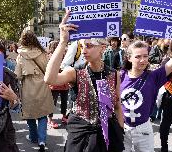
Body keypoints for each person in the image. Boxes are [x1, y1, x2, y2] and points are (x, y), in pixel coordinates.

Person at [44, 11, 125, 152]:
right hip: (80, 137)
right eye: (82, 46)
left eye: (89, 45)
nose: (83, 51)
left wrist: (120, 131)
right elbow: (49, 79)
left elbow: (117, 105)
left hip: (107, 135)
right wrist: (63, 41)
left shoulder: (114, 74)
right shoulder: (75, 72)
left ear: (102, 48)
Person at [119, 17, 172, 152]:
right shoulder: (119, 76)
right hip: (122, 128)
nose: (143, 60)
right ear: (129, 58)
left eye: (146, 56)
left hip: (144, 129)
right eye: (138, 56)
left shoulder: (154, 76)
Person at [15, 30, 54, 152]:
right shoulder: (42, 53)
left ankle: (33, 137)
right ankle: (42, 140)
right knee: (42, 113)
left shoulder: (20, 54)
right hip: (42, 84)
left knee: (29, 114)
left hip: (27, 86)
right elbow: (48, 69)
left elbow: (18, 75)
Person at [47, 41, 69, 128]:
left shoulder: (66, 55)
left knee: (64, 101)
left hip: (64, 82)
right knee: (52, 102)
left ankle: (64, 116)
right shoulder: (51, 56)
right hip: (54, 83)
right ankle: (50, 119)